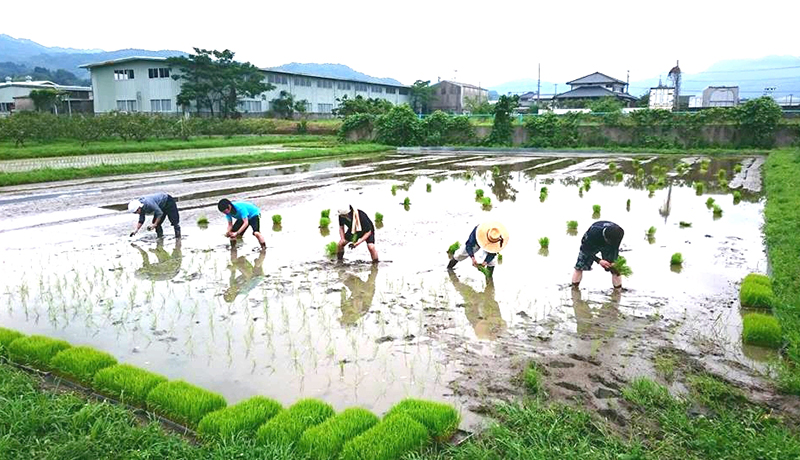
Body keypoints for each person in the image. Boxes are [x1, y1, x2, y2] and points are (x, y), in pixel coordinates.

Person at [448, 271, 506, 340]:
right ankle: (452, 275)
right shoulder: (482, 320)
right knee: (470, 293)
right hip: (479, 310)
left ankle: (452, 275)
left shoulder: (492, 323)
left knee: (487, 293)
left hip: (482, 312)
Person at [572, 220, 625, 289]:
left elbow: (615, 247)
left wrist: (613, 261)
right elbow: (585, 249)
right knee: (580, 266)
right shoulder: (593, 233)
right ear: (606, 238)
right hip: (592, 243)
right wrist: (599, 260)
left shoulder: (618, 233)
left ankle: (618, 291)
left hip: (609, 245)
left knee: (616, 269)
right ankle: (574, 288)